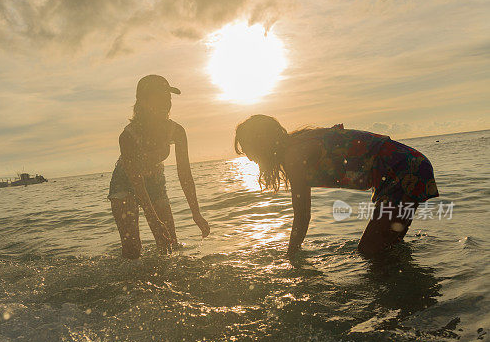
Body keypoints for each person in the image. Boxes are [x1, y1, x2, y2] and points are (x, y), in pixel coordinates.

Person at [234, 115, 439, 258]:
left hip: (403, 169)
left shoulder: (294, 155)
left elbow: (302, 214)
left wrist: (290, 257)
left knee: (370, 251)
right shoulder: (296, 146)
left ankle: (400, 306)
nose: (249, 156)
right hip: (407, 166)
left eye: (247, 147)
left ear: (260, 142)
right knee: (385, 249)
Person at [109, 74, 210, 258]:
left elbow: (184, 174)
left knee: (169, 244)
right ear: (144, 102)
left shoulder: (177, 131)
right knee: (133, 249)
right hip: (125, 183)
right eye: (160, 97)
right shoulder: (128, 136)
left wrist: (196, 214)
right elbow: (136, 181)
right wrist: (153, 219)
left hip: (155, 181)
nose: (167, 103)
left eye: (168, 98)